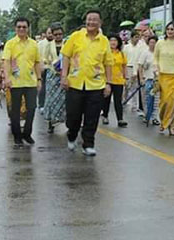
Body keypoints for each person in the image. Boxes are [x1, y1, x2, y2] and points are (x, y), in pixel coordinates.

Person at [61, 10, 113, 156]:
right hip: (75, 83)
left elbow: (108, 63)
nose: (91, 22)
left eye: (94, 20)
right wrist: (64, 76)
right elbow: (66, 56)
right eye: (89, 19)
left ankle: (88, 144)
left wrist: (109, 83)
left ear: (100, 23)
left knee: (92, 116)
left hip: (96, 85)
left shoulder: (104, 41)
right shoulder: (76, 37)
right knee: (73, 116)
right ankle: (72, 135)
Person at [3, 18, 43, 148]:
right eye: (19, 27)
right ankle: (17, 136)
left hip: (30, 82)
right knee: (15, 110)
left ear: (28, 28)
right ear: (15, 28)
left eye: (24, 27)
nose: (21, 29)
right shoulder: (10, 44)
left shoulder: (34, 44)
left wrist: (39, 79)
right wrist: (7, 78)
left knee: (31, 108)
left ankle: (27, 133)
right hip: (15, 82)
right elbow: (6, 61)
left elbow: (37, 62)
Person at [154, 22, 174, 136]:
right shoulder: (160, 43)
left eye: (172, 29)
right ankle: (163, 122)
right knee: (164, 102)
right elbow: (156, 58)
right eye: (168, 29)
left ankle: (172, 126)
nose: (170, 31)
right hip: (163, 76)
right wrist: (156, 70)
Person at [41, 23, 67, 133]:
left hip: (64, 74)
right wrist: (52, 64)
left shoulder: (67, 43)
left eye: (60, 34)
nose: (58, 36)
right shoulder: (49, 45)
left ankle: (65, 121)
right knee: (51, 99)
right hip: (52, 74)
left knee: (64, 99)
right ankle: (51, 122)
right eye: (55, 34)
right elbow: (44, 58)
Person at [102, 34, 128, 127]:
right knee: (106, 100)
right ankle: (105, 116)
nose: (113, 42)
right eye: (111, 40)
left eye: (115, 41)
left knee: (118, 100)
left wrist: (125, 78)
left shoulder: (121, 54)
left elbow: (124, 66)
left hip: (118, 80)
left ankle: (120, 119)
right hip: (107, 80)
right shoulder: (105, 53)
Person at [139, 35, 158, 125]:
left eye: (154, 42)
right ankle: (147, 115)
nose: (152, 44)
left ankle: (155, 117)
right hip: (148, 79)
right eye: (151, 42)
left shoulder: (158, 53)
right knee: (147, 99)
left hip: (157, 80)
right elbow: (140, 66)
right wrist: (141, 77)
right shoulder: (145, 53)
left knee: (156, 100)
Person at [123, 31, 143, 112]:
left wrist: (136, 72)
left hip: (136, 67)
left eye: (138, 37)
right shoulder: (126, 47)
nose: (137, 39)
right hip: (128, 67)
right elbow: (124, 59)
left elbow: (139, 60)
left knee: (135, 87)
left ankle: (134, 105)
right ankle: (124, 100)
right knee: (126, 86)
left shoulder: (140, 48)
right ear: (131, 38)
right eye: (135, 37)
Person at [38, 27, 54, 110]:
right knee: (43, 87)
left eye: (52, 33)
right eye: (49, 33)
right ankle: (41, 104)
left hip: (54, 70)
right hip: (44, 68)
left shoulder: (56, 43)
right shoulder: (40, 44)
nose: (51, 35)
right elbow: (38, 57)